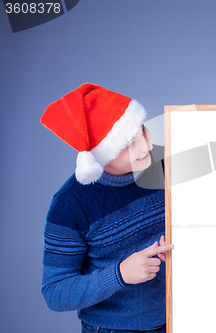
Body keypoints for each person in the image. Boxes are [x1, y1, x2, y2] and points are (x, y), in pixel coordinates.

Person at [40, 83, 174, 333]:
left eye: (143, 130)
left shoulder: (166, 163)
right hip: (113, 329)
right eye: (129, 143)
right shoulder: (69, 205)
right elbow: (55, 293)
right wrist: (120, 274)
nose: (146, 146)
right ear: (101, 153)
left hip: (179, 319)